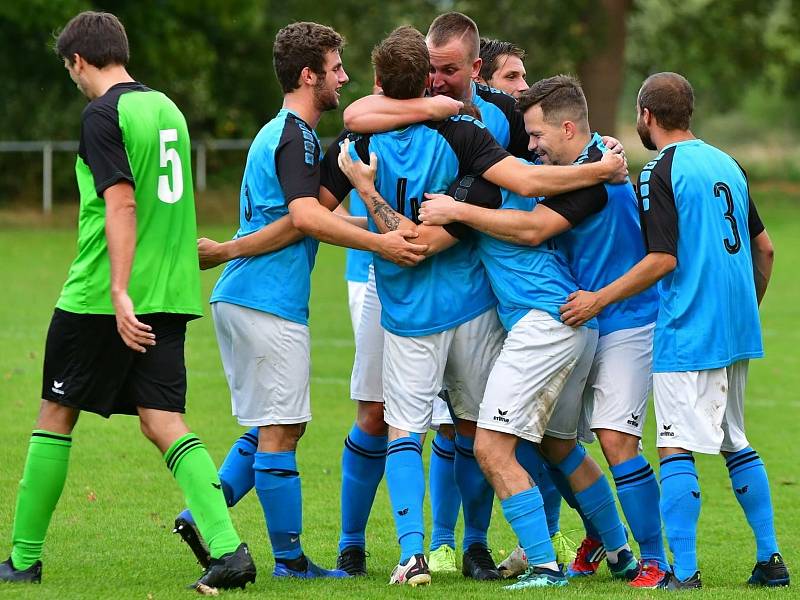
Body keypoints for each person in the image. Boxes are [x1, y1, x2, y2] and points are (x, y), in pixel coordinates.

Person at [321, 25, 627, 586]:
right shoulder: (464, 129)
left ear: (379, 81)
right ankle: (506, 547)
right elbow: (526, 178)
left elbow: (341, 180)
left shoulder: (366, 141)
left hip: (419, 313)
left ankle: (424, 552)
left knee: (418, 434)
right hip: (487, 309)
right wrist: (601, 166)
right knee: (498, 436)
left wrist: (369, 196)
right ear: (428, 76)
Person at [0, 11, 257, 591]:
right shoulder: (166, 108)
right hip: (169, 291)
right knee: (164, 420)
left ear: (78, 61)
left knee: (55, 414)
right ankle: (228, 551)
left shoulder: (100, 113)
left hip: (102, 295)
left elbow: (122, 205)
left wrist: (117, 290)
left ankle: (21, 559)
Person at [174, 21, 428, 581]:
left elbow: (296, 221)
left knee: (271, 424)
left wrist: (383, 219)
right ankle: (290, 562)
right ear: (309, 74)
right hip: (267, 301)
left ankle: (202, 515)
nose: (346, 77)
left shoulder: (281, 132)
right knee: (282, 430)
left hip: (247, 296)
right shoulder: (299, 134)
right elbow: (307, 217)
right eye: (337, 68)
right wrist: (380, 240)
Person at [421, 74, 669, 586]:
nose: (531, 146)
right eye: (525, 137)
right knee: (558, 445)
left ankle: (546, 565)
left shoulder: (557, 176)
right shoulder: (558, 169)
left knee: (493, 448)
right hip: (578, 322)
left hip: (566, 322)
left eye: (537, 136)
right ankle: (621, 553)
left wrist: (453, 210)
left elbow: (525, 227)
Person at [558, 72, 788, 590]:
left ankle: (682, 573)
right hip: (736, 330)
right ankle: (770, 560)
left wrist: (599, 297)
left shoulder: (660, 169)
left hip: (688, 331)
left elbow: (662, 258)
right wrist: (746, 308)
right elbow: (765, 249)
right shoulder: (727, 162)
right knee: (736, 441)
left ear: (646, 115)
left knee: (675, 447)